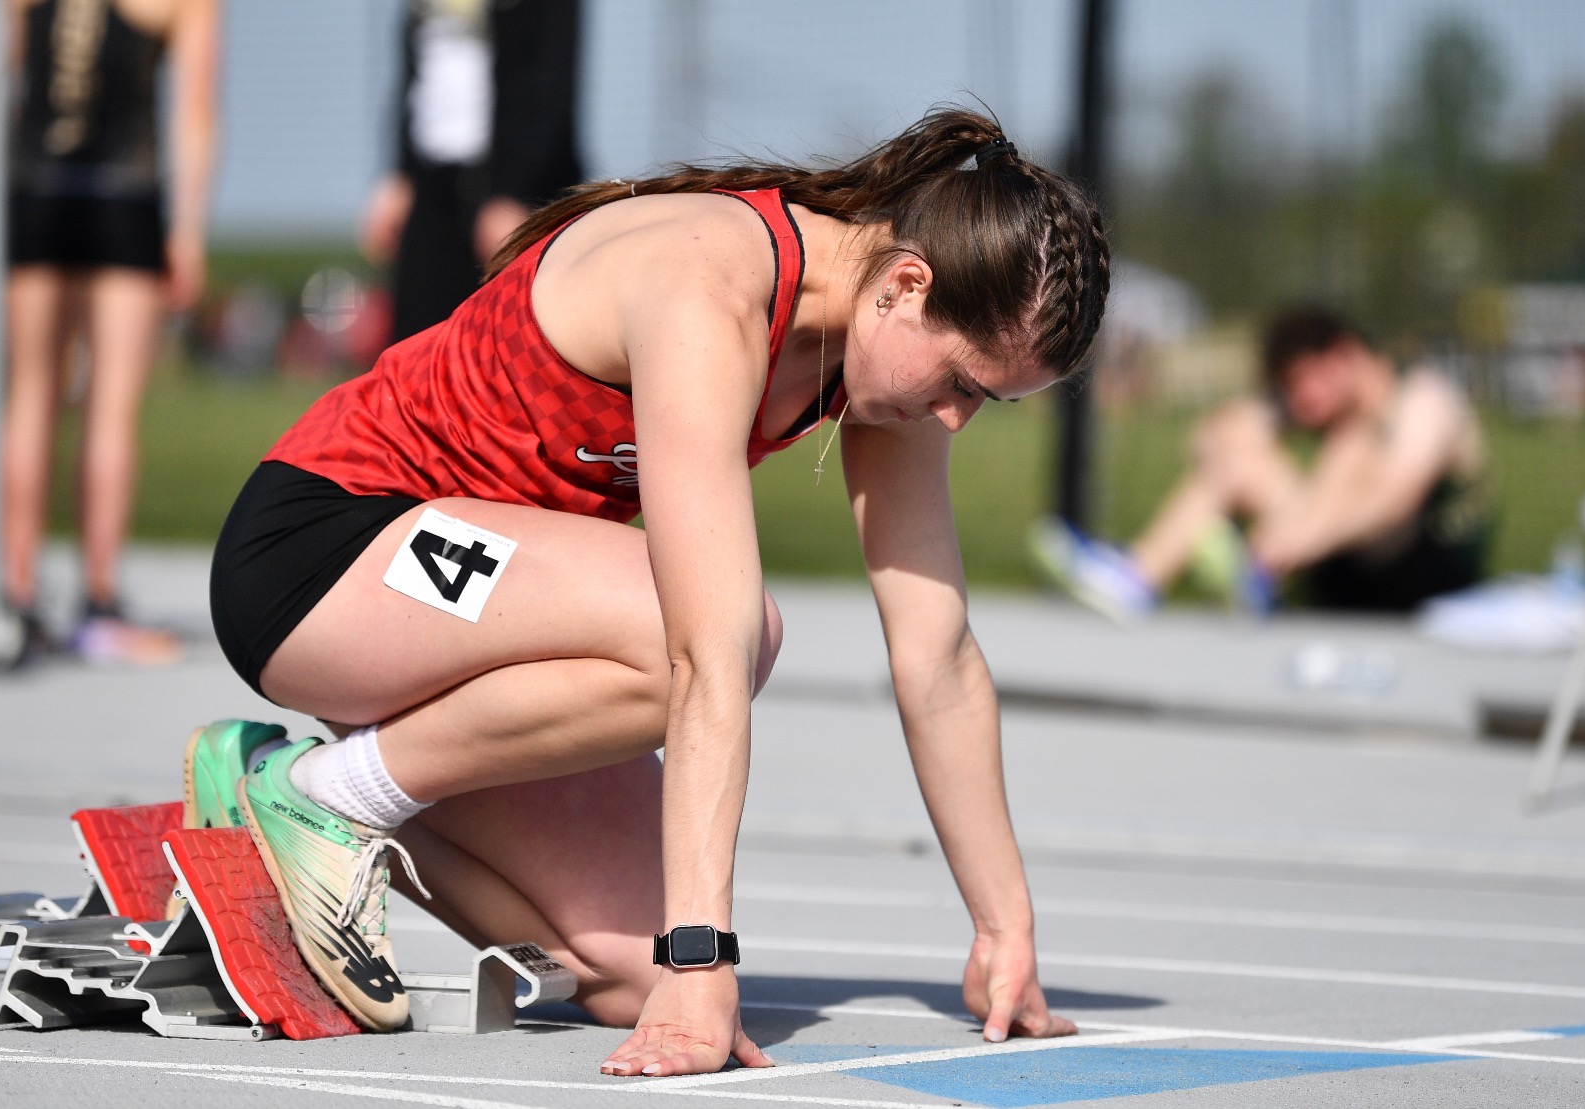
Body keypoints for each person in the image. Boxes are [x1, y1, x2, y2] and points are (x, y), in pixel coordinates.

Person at [196, 109, 1110, 1075]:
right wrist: (702, 954)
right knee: (722, 634)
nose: (955, 419)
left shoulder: (888, 350)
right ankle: (330, 798)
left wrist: (1004, 924)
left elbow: (939, 651)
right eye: (966, 382)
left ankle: (279, 788)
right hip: (325, 552)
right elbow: (702, 651)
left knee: (627, 979)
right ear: (907, 283)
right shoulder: (708, 285)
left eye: (986, 401)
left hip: (465, 619)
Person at [1, 0, 219, 663]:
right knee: (111, 408)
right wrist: (187, 227)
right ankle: (98, 602)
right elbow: (197, 110)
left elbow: (7, 80)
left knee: (31, 394)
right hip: (125, 197)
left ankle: (15, 599)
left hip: (35, 190)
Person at [1034, 307, 1489, 618]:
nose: (1298, 401)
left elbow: (1397, 499)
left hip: (1424, 583)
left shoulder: (1423, 398)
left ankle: (1255, 570)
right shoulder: (1329, 406)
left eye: (1299, 381)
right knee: (1239, 463)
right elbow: (1208, 435)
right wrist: (1244, 446)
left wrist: (1295, 542)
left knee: (1350, 449)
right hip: (1345, 569)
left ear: (1344, 355)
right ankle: (1138, 578)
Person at [358, 0, 582, 344]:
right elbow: (415, 64)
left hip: (508, 189)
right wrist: (399, 173)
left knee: (505, 350)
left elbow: (551, 69)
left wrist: (514, 191)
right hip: (431, 177)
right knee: (416, 349)